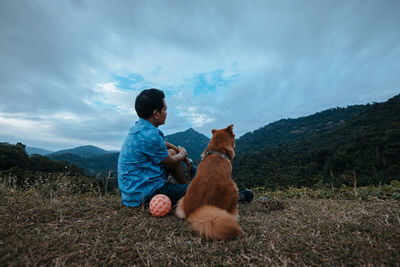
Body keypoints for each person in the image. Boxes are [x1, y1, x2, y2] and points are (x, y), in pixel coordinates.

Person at [118, 88, 253, 207]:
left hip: (133, 194)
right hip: (148, 195)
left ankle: (189, 188)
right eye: (165, 109)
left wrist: (179, 152)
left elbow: (162, 145)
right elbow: (170, 162)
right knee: (177, 162)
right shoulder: (151, 134)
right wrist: (183, 154)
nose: (166, 113)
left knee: (170, 152)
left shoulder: (139, 129)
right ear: (156, 113)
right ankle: (230, 198)